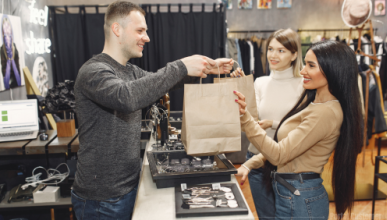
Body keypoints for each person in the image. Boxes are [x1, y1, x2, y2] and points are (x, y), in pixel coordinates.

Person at [72, 1, 233, 219]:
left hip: (128, 188)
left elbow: (159, 82)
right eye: (140, 31)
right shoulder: (93, 72)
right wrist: (181, 65)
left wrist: (207, 68)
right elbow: (127, 97)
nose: (146, 37)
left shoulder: (129, 70)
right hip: (102, 200)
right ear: (117, 29)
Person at [234, 40, 362, 219]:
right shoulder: (314, 103)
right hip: (292, 194)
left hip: (300, 199)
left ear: (333, 69)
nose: (302, 71)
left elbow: (279, 154)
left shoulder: (326, 112)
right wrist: (249, 165)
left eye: (311, 65)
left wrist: (247, 120)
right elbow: (288, 148)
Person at [231, 28, 303, 219]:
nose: (273, 55)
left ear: (294, 54)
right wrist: (239, 87)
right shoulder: (260, 83)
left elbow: (305, 126)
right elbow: (248, 122)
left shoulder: (303, 85)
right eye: (271, 49)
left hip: (286, 162)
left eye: (281, 50)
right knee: (265, 217)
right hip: (256, 159)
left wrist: (273, 123)